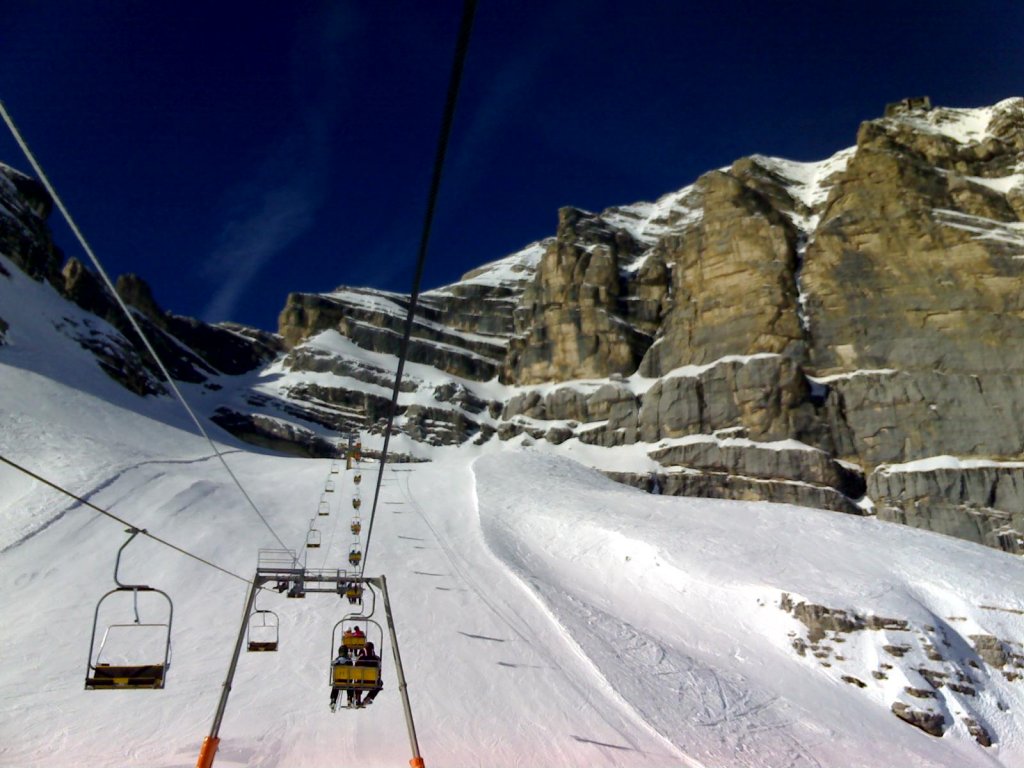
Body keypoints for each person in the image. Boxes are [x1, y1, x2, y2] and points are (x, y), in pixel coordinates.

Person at [355, 641, 382, 707]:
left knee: (357, 681)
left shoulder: (360, 658)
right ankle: (368, 698)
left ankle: (358, 698)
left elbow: (355, 668)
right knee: (380, 683)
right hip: (372, 681)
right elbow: (378, 670)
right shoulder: (376, 659)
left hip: (361, 680)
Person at [329, 645, 355, 711]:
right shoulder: (349, 661)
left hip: (338, 680)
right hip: (347, 680)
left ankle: (333, 700)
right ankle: (349, 699)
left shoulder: (337, 660)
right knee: (350, 685)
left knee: (336, 686)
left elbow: (332, 664)